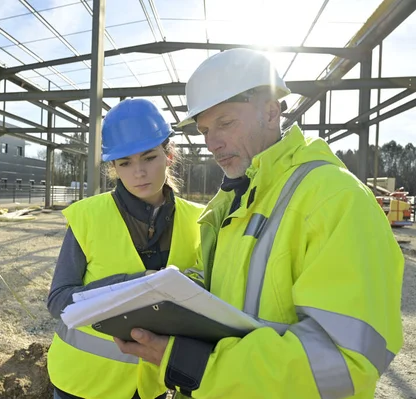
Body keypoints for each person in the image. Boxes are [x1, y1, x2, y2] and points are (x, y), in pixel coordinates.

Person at [115, 48, 404, 399]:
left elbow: (346, 361)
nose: (213, 143)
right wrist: (173, 293)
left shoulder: (335, 199)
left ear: (271, 111)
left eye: (225, 123)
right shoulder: (234, 201)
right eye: (205, 129)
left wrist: (201, 366)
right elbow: (233, 290)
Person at [46, 98, 205, 399]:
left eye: (149, 157)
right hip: (83, 384)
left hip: (154, 384)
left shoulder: (198, 220)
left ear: (168, 155)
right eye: (126, 163)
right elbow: (58, 301)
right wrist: (136, 283)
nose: (139, 173)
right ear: (114, 168)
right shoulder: (88, 217)